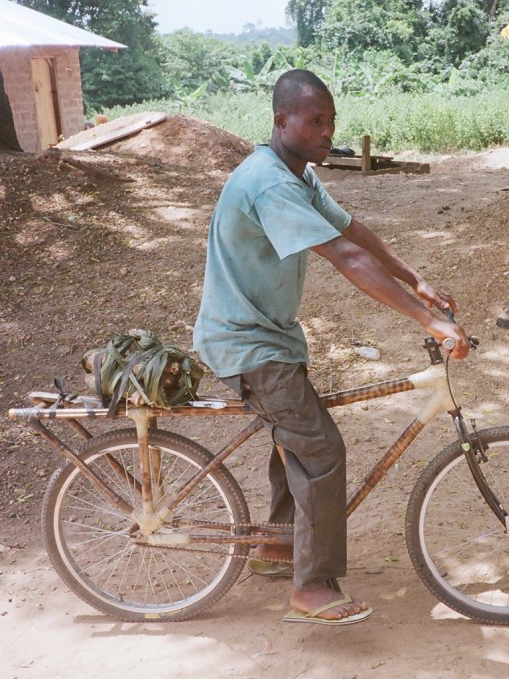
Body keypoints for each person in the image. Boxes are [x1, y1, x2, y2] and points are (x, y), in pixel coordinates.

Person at [192, 69, 470, 626]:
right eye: (315, 120)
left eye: (331, 120)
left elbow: (352, 230)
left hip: (268, 337)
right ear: (281, 121)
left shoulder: (296, 174)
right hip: (247, 344)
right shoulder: (269, 183)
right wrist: (429, 322)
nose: (327, 130)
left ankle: (276, 548)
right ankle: (312, 586)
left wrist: (414, 278)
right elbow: (346, 259)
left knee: (295, 439)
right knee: (321, 451)